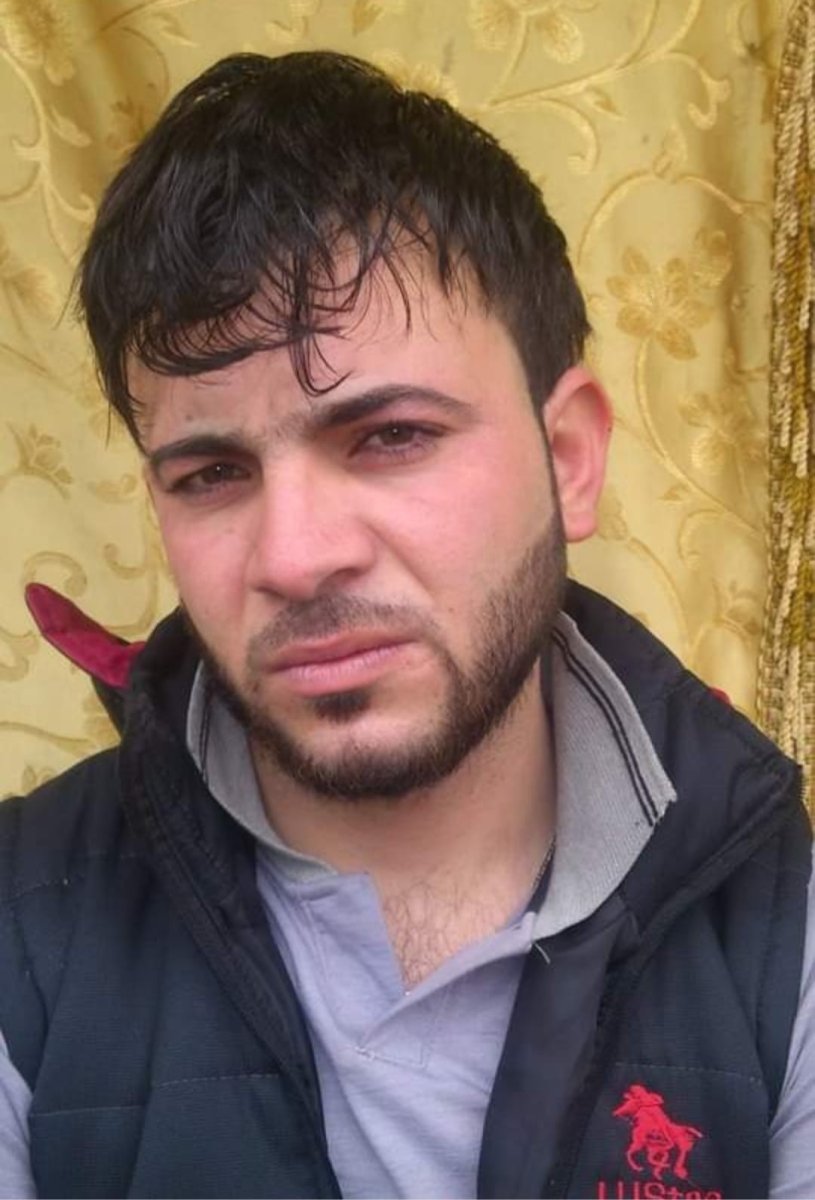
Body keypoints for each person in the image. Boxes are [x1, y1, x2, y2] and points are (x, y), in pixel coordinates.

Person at [0, 50, 811, 1200]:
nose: (293, 557)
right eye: (212, 473)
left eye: (389, 437)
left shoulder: (783, 931)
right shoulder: (21, 921)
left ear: (567, 461)